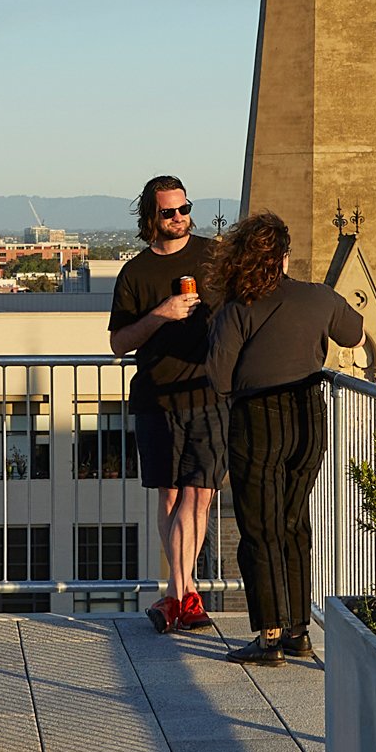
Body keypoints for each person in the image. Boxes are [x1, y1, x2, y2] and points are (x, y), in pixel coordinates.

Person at [205, 211, 362, 666]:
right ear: (285, 258)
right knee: (294, 522)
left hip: (258, 418)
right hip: (310, 416)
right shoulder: (319, 298)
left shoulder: (237, 309)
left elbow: (218, 377)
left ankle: (269, 636)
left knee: (261, 527)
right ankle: (299, 631)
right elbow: (354, 334)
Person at [106, 173, 225, 633]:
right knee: (171, 494)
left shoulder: (213, 257)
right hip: (157, 396)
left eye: (184, 208)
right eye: (168, 212)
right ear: (150, 218)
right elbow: (118, 342)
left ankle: (181, 592)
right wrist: (163, 313)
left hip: (208, 393)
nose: (179, 218)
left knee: (200, 493)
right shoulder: (135, 273)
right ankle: (183, 591)